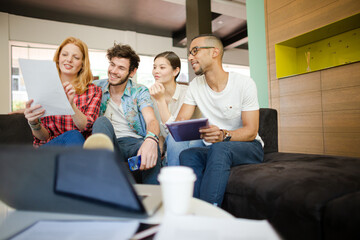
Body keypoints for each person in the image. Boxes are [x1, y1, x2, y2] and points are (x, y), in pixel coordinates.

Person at [176, 34, 264, 206]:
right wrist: (181, 127)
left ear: (214, 52)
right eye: (189, 53)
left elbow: (251, 131)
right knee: (187, 154)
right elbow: (180, 120)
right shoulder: (195, 85)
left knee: (220, 148)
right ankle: (193, 208)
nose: (190, 57)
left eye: (195, 51)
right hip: (218, 147)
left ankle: (209, 213)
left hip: (250, 146)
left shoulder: (244, 83)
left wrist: (223, 135)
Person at [88, 43, 161, 184]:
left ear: (132, 72)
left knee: (152, 145)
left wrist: (152, 139)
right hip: (109, 143)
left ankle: (154, 199)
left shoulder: (139, 91)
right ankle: (99, 173)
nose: (114, 71)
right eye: (112, 64)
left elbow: (151, 120)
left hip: (135, 143)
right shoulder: (95, 87)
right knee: (101, 121)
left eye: (121, 68)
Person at [24, 37, 102, 147]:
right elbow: (44, 136)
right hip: (49, 150)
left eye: (76, 57)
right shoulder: (45, 88)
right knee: (73, 136)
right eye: (64, 55)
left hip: (75, 150)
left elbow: (86, 126)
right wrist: (33, 123)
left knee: (74, 136)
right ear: (58, 58)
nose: (69, 60)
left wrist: (71, 106)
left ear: (83, 64)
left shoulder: (93, 91)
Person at [149, 51, 202, 166]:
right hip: (168, 146)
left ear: (176, 71)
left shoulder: (188, 93)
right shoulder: (149, 96)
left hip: (187, 142)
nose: (156, 71)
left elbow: (177, 132)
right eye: (154, 67)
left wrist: (160, 100)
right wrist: (160, 141)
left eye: (162, 67)